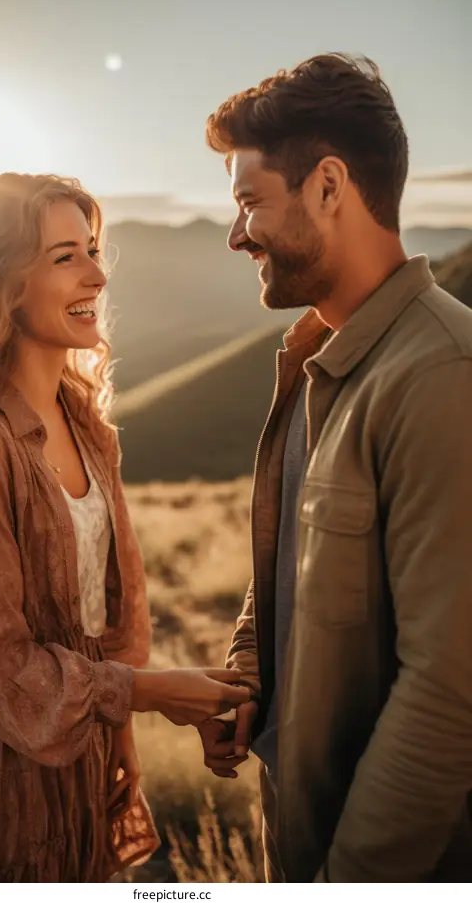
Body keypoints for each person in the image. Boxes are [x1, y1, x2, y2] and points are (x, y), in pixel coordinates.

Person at [0, 172, 250, 883]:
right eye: (65, 256)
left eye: (93, 249)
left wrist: (128, 733)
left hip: (85, 758)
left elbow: (115, 610)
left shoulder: (88, 426)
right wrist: (154, 693)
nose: (98, 276)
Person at [197, 53, 472, 882]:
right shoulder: (322, 356)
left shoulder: (441, 374)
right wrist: (250, 672)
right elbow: (295, 553)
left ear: (327, 186)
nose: (237, 232)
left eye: (250, 202)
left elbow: (448, 695)